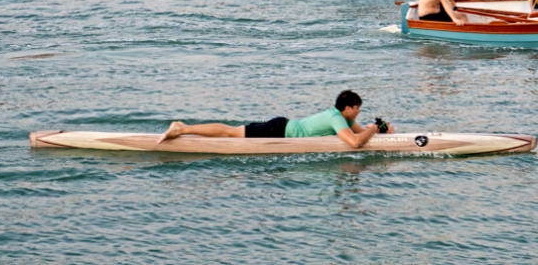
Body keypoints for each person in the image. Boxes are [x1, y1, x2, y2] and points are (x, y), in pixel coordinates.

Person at [157, 90, 393, 149]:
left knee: (232, 132)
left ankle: (184, 128)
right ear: (348, 108)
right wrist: (373, 129)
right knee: (230, 132)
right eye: (357, 108)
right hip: (279, 131)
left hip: (284, 127)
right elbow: (355, 142)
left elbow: (360, 133)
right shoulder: (336, 119)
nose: (359, 112)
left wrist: (383, 130)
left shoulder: (344, 119)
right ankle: (182, 128)